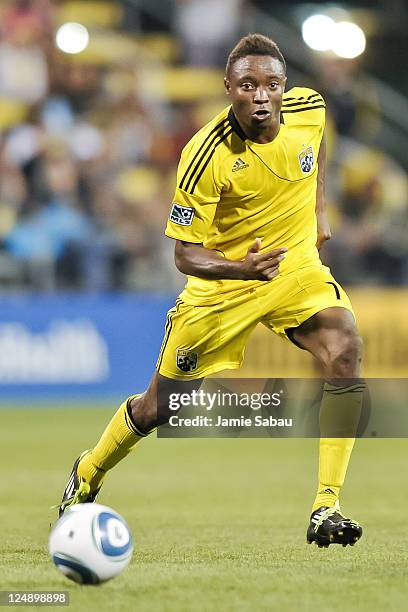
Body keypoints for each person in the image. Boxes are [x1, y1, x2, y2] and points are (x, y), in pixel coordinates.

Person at [59, 34, 364, 547]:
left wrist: (319, 208)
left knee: (345, 348)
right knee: (161, 407)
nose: (262, 95)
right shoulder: (204, 155)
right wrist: (242, 269)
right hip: (222, 290)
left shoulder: (310, 108)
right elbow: (184, 254)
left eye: (271, 84)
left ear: (284, 86)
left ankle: (326, 506)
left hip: (294, 270)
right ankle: (88, 470)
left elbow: (318, 145)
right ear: (229, 89)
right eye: (248, 85)